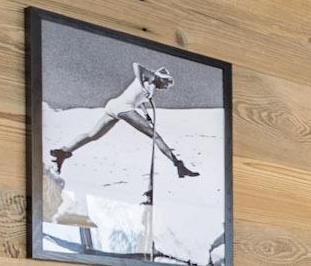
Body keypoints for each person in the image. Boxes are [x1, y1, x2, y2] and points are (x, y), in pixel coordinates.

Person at [48, 63, 199, 179]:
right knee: (155, 136)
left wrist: (145, 114)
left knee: (92, 135)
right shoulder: (151, 77)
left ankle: (63, 152)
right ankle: (179, 165)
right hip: (123, 107)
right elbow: (136, 66)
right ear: (161, 78)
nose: (165, 88)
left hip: (115, 106)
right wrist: (142, 84)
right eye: (166, 84)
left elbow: (138, 100)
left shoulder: (150, 86)